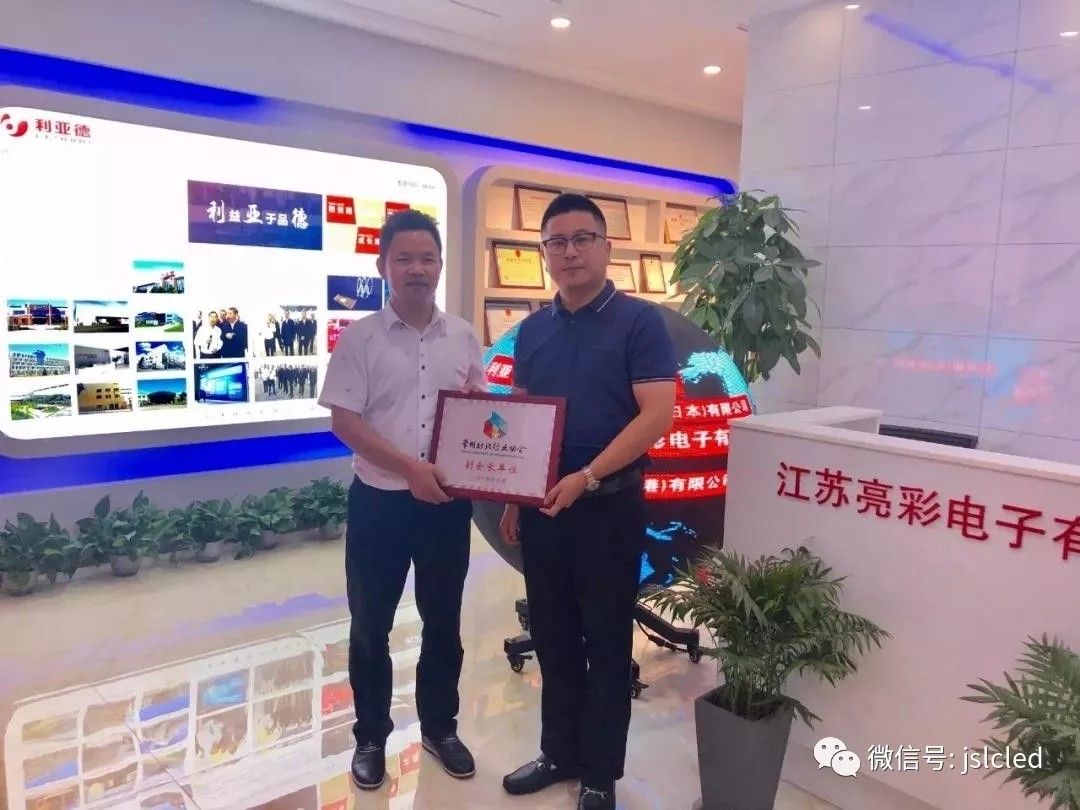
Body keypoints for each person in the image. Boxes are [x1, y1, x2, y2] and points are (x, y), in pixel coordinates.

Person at [499, 194, 677, 810]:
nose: (569, 252)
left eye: (582, 239)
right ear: (544, 252)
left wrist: (588, 475)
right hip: (543, 509)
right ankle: (559, 753)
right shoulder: (531, 330)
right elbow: (521, 417)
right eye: (556, 242)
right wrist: (514, 494)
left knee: (604, 641)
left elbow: (656, 415)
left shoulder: (639, 323)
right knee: (551, 634)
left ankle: (600, 773)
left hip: (608, 507)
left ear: (606, 246)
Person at [318, 208, 486, 791]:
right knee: (371, 625)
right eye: (404, 259)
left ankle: (440, 727)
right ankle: (370, 737)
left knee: (444, 621)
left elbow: (481, 412)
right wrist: (410, 469)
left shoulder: (462, 336)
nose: (417, 269)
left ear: (440, 265)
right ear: (383, 266)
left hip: (445, 506)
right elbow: (345, 422)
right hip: (379, 505)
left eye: (427, 259)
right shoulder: (360, 338)